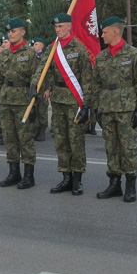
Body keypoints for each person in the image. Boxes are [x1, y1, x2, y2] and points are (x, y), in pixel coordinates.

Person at [90, 16, 137, 202]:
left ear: (115, 32)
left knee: (128, 147)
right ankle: (114, 183)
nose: (102, 35)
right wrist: (96, 109)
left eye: (104, 32)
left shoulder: (133, 54)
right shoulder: (101, 57)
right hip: (106, 108)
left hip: (127, 109)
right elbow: (96, 85)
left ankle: (130, 185)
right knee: (111, 147)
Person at [32, 13, 93, 194]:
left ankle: (77, 178)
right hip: (58, 99)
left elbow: (88, 79)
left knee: (76, 141)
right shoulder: (53, 48)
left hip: (75, 100)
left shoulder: (79, 49)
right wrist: (34, 85)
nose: (57, 30)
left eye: (60, 27)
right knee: (61, 140)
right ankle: (65, 176)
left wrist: (87, 105)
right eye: (56, 27)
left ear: (69, 27)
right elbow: (42, 68)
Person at [0, 19, 40, 189]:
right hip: (6, 100)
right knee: (9, 138)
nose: (10, 34)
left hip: (23, 102)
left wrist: (35, 104)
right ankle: (14, 172)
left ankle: (29, 175)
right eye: (9, 32)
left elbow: (36, 80)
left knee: (25, 139)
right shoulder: (4, 55)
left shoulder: (30, 54)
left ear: (23, 32)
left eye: (13, 31)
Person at [31, 38, 49, 142]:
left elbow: (49, 75)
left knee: (42, 110)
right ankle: (35, 130)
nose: (34, 46)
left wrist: (48, 89)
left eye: (36, 44)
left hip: (43, 88)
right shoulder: (32, 58)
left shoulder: (45, 58)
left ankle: (42, 131)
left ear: (41, 46)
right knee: (34, 110)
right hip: (34, 88)